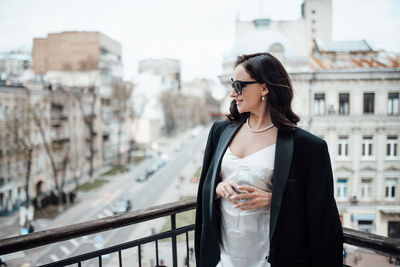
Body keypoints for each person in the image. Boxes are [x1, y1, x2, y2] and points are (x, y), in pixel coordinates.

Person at [195, 52, 343, 267]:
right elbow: (204, 188)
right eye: (231, 85)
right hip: (222, 261)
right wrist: (218, 188)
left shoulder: (309, 148)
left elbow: (323, 220)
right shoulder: (220, 132)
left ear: (264, 88)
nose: (232, 94)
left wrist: (274, 201)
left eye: (238, 86)